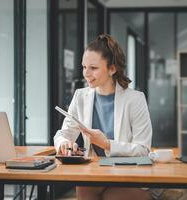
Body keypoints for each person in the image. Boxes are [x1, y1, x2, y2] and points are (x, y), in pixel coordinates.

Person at [54, 34, 155, 200]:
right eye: (84, 67)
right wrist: (64, 143)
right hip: (97, 174)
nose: (86, 73)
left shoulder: (135, 99)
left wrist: (107, 144)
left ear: (112, 69)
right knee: (84, 186)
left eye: (93, 68)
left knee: (112, 195)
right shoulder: (80, 96)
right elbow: (63, 134)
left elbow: (143, 150)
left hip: (129, 174)